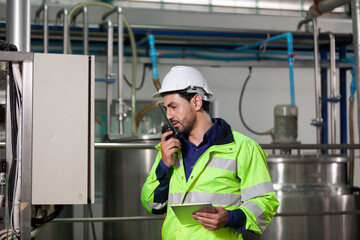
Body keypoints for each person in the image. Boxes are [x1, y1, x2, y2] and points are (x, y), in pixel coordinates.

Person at [141, 66, 279, 239]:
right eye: (166, 108)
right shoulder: (170, 148)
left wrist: (231, 217)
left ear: (197, 102)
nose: (168, 115)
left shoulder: (243, 148)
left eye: (173, 106)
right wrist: (164, 165)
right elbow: (152, 204)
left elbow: (265, 202)